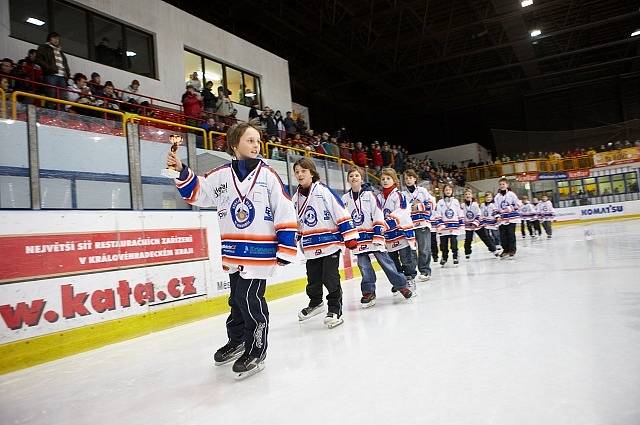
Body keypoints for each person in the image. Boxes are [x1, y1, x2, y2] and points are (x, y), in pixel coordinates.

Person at [167, 122, 298, 379]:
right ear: (234, 145)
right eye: (249, 140)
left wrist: (285, 248)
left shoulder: (268, 175)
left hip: (260, 254)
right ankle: (237, 341)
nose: (255, 145)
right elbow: (198, 194)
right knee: (236, 301)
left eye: (257, 141)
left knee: (250, 301)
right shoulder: (221, 175)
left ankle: (257, 349)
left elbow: (284, 209)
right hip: (233, 253)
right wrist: (181, 169)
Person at [293, 158, 359, 328]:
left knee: (330, 278)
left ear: (312, 173)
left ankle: (335, 309)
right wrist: (292, 239)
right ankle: (316, 303)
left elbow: (340, 211)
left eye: (303, 171)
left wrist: (349, 235)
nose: (299, 174)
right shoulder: (296, 198)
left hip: (329, 244)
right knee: (313, 280)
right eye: (297, 172)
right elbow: (296, 222)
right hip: (310, 246)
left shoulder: (323, 191)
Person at [342, 166, 414, 308]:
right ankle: (369, 292)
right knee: (363, 266)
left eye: (356, 175)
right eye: (351, 176)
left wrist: (378, 232)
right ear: (348, 180)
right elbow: (344, 218)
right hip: (357, 238)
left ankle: (401, 285)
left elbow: (377, 214)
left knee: (386, 263)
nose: (354, 178)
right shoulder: (344, 199)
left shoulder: (370, 195)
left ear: (361, 179)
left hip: (373, 235)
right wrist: (348, 236)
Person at [377, 168, 417, 293]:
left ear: (394, 180)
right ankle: (400, 280)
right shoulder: (378, 197)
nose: (385, 181)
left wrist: (388, 223)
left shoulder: (399, 195)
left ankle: (409, 278)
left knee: (406, 259)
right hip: (388, 235)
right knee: (393, 260)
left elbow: (402, 211)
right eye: (383, 179)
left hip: (401, 232)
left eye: (388, 178)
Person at [403, 169, 435, 281]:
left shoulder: (422, 191)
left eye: (410, 177)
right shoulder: (403, 194)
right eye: (406, 178)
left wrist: (418, 207)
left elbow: (431, 203)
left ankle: (425, 271)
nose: (408, 180)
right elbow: (402, 209)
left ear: (415, 178)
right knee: (411, 251)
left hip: (422, 224)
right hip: (409, 225)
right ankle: (412, 273)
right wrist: (411, 207)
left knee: (424, 249)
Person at [434, 184, 464, 266]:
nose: (448, 191)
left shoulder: (455, 201)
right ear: (443, 191)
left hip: (454, 226)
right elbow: (438, 214)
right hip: (444, 228)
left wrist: (461, 223)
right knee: (443, 245)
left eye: (449, 190)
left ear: (452, 191)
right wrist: (440, 224)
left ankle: (455, 256)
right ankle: (444, 257)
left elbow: (459, 212)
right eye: (446, 190)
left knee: (454, 243)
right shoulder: (440, 202)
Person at [36, 32, 70, 102]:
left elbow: (65, 64)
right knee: (51, 95)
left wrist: (67, 74)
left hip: (62, 77)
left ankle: (62, 112)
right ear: (49, 39)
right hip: (50, 75)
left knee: (63, 97)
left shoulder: (60, 51)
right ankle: (49, 111)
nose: (56, 40)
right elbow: (38, 59)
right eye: (54, 38)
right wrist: (49, 68)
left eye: (58, 39)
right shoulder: (43, 47)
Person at [494, 178, 520, 258]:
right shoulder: (497, 196)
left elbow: (518, 204)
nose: (502, 186)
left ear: (507, 185)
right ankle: (505, 250)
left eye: (503, 184)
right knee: (503, 236)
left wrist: (510, 208)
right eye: (500, 184)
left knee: (510, 234)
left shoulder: (511, 194)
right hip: (502, 219)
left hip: (512, 218)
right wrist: (497, 216)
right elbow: (495, 208)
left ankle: (512, 250)